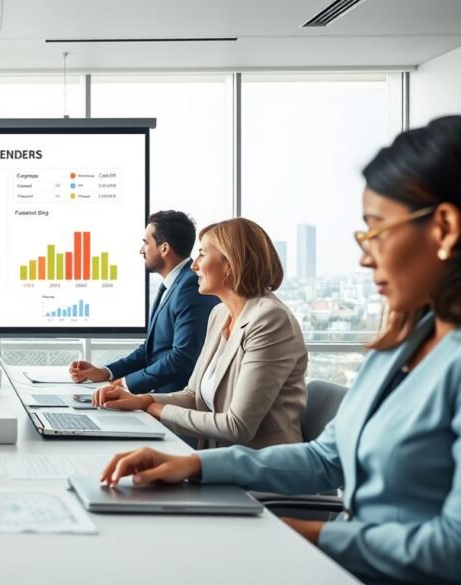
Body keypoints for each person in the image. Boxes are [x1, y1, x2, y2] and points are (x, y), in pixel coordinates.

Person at [101, 116, 461, 585]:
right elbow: (326, 459)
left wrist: (301, 536)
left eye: (376, 232)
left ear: (445, 227)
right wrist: (193, 464)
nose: (364, 256)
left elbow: (451, 549)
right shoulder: (401, 344)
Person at [94, 218, 307, 449]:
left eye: (202, 255)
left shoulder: (269, 319)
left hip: (263, 471)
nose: (194, 265)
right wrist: (142, 399)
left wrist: (152, 408)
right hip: (219, 459)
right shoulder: (219, 313)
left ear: (230, 264)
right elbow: (192, 395)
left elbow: (238, 426)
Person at [69, 211, 219, 393]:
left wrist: (125, 384)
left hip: (175, 403)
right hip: (159, 396)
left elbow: (182, 358)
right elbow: (151, 349)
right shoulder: (173, 285)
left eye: (146, 243)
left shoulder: (190, 287)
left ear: (164, 248)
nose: (141, 250)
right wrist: (105, 372)